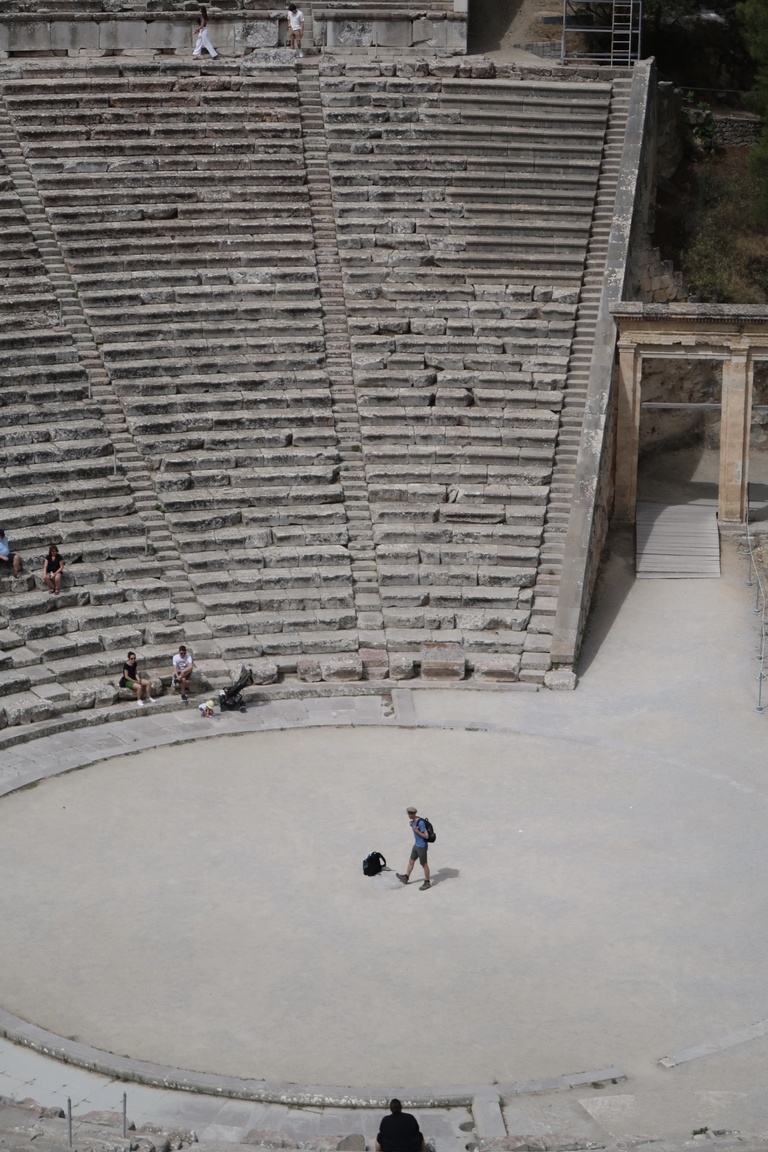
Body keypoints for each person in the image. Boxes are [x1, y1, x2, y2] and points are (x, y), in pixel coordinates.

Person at [397, 806, 431, 890]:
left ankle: (427, 882)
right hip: (416, 845)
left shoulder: (421, 823)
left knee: (424, 864)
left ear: (413, 814)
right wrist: (411, 825)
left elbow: (426, 836)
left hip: (422, 846)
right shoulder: (413, 822)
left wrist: (417, 831)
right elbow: (414, 827)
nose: (408, 815)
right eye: (408, 813)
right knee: (411, 861)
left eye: (409, 814)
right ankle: (406, 877)